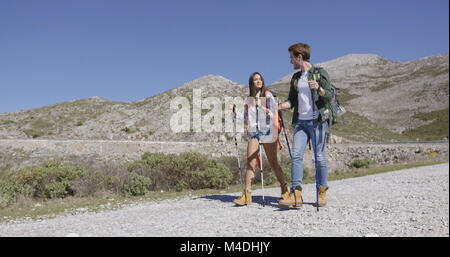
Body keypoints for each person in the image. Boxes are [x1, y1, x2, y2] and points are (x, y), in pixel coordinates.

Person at [277, 43, 332, 208]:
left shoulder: (320, 73)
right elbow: (291, 101)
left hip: (317, 121)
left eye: (292, 58)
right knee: (296, 156)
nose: (290, 61)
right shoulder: (295, 78)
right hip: (301, 122)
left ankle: (321, 191)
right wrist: (280, 105)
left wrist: (319, 89)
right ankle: (296, 194)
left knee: (320, 158)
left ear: (299, 57)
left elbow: (329, 96)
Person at [232, 72, 289, 206]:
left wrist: (261, 106)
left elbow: (273, 112)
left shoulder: (268, 95)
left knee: (273, 162)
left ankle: (285, 188)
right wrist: (236, 113)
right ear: (251, 83)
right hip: (254, 132)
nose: (258, 81)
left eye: (260, 79)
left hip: (268, 131)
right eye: (255, 79)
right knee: (250, 161)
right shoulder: (248, 99)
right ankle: (247, 194)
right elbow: (247, 119)